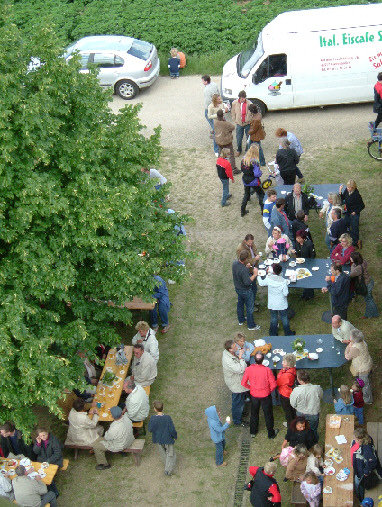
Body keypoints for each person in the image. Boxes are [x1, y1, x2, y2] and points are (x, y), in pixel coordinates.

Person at [241, 352, 279, 439]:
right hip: (265, 395)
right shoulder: (267, 370)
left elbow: (243, 382)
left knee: (254, 413)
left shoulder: (249, 369)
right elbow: (273, 385)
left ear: (254, 360)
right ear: (263, 360)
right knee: (268, 414)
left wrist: (251, 388)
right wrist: (268, 391)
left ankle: (253, 432)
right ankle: (271, 433)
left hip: (254, 395)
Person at [257, 263, 295, 336]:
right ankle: (288, 333)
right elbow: (285, 293)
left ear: (273, 271)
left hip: (272, 303)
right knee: (284, 318)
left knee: (274, 318)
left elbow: (261, 283)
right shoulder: (283, 282)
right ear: (280, 272)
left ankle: (273, 333)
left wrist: (258, 276)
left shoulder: (268, 278)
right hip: (281, 304)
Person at [92, 406, 134, 470]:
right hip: (129, 440)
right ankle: (122, 452)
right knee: (98, 440)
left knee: (96, 445)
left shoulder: (114, 428)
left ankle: (104, 464)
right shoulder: (126, 418)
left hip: (121, 445)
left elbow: (107, 438)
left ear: (112, 416)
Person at [222, 339, 249, 426]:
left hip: (238, 380)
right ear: (230, 350)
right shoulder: (228, 360)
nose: (237, 347)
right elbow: (241, 369)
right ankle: (237, 421)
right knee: (237, 403)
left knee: (241, 399)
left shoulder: (230, 353)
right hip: (236, 384)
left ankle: (242, 412)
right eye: (235, 346)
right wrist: (240, 357)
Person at [232, 250, 260, 330]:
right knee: (249, 307)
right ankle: (251, 325)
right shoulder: (244, 270)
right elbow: (247, 282)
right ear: (246, 259)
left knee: (240, 304)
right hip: (245, 290)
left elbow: (240, 272)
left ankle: (241, 320)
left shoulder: (235, 263)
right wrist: (255, 274)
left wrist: (246, 267)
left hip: (238, 288)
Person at [290, 370, 322, 440]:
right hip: (313, 413)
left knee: (301, 429)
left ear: (299, 380)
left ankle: (303, 440)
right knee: (313, 430)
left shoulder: (296, 390)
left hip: (301, 413)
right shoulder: (317, 388)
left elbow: (293, 404)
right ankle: (314, 441)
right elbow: (321, 396)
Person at [351, 427, 382, 501]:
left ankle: (361, 498)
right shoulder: (367, 439)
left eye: (355, 439)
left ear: (360, 440)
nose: (354, 440)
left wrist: (366, 472)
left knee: (358, 484)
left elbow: (372, 461)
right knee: (357, 483)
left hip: (361, 472)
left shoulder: (367, 449)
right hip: (359, 467)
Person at [148, 400, 177, 475]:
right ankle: (168, 470)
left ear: (155, 409)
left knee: (163, 453)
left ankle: (166, 466)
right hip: (167, 438)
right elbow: (172, 429)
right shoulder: (167, 418)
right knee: (170, 454)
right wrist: (175, 436)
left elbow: (150, 429)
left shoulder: (153, 418)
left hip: (158, 439)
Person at [345, 329, 373, 404]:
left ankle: (368, 400)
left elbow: (348, 356)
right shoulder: (362, 341)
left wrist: (349, 346)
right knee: (365, 380)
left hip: (363, 368)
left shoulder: (355, 348)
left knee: (364, 385)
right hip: (367, 361)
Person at [350, 251, 379, 319]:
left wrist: (352, 265)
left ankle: (372, 314)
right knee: (369, 299)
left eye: (351, 257)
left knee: (368, 300)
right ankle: (370, 314)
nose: (350, 258)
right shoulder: (363, 261)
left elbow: (351, 274)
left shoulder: (358, 268)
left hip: (366, 284)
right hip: (369, 281)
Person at [236, 234, 261, 308]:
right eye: (249, 243)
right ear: (245, 241)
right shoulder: (240, 249)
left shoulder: (252, 245)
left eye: (252, 242)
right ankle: (250, 305)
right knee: (249, 290)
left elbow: (255, 252)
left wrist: (257, 257)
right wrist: (255, 259)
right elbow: (243, 261)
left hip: (253, 268)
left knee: (254, 288)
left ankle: (253, 301)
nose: (251, 244)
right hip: (247, 271)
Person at [240, 144, 265, 217]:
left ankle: (242, 211)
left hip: (245, 179)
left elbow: (242, 169)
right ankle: (263, 211)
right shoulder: (254, 162)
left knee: (246, 194)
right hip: (253, 181)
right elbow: (257, 174)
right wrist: (261, 172)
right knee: (261, 194)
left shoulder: (243, 159)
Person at [339, 180, 365, 248]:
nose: (348, 188)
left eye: (350, 187)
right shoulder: (347, 191)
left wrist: (355, 212)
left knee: (354, 228)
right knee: (345, 224)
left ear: (353, 187)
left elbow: (362, 206)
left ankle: (356, 242)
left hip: (354, 213)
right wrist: (340, 191)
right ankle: (348, 238)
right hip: (348, 212)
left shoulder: (356, 195)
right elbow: (343, 198)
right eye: (347, 187)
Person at [293, 229, 315, 300]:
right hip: (300, 263)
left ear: (303, 238)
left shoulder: (309, 244)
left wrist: (309, 263)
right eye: (297, 238)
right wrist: (295, 253)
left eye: (299, 238)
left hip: (308, 263)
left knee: (308, 278)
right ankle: (305, 292)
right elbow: (297, 253)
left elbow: (313, 255)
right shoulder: (297, 244)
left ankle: (310, 294)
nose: (297, 239)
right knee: (302, 277)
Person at [231, 90, 254, 157]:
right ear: (239, 98)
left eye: (243, 98)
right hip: (239, 123)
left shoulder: (249, 103)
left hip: (247, 123)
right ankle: (239, 150)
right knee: (239, 137)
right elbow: (232, 112)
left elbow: (252, 113)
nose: (242, 100)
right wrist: (234, 119)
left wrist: (250, 120)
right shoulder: (235, 103)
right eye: (241, 98)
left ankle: (247, 150)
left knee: (248, 138)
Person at [276, 353, 296, 425]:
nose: (282, 363)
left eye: (284, 362)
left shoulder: (286, 376)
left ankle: (290, 424)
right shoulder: (292, 369)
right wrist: (282, 371)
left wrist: (281, 373)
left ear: (287, 364)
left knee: (287, 411)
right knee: (292, 409)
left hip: (285, 394)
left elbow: (278, 382)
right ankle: (294, 421)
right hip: (290, 392)